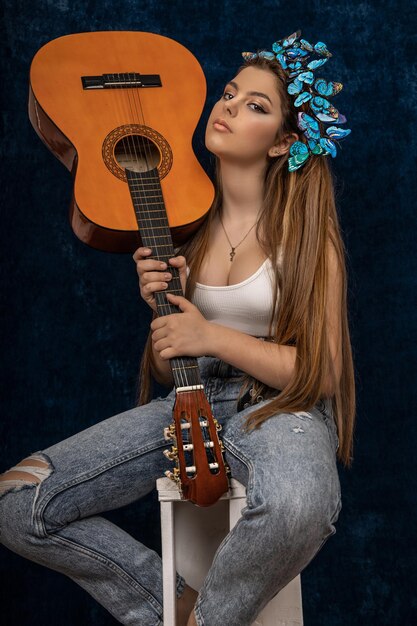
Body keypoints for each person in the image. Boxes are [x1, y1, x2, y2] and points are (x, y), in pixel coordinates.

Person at [0, 31, 355, 626]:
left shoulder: (307, 236)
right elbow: (167, 368)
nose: (228, 107)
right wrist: (166, 324)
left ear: (283, 143)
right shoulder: (180, 221)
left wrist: (211, 336)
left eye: (255, 106)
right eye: (230, 93)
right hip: (193, 399)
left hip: (281, 410)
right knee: (17, 504)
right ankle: (176, 608)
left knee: (300, 506)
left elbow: (321, 372)